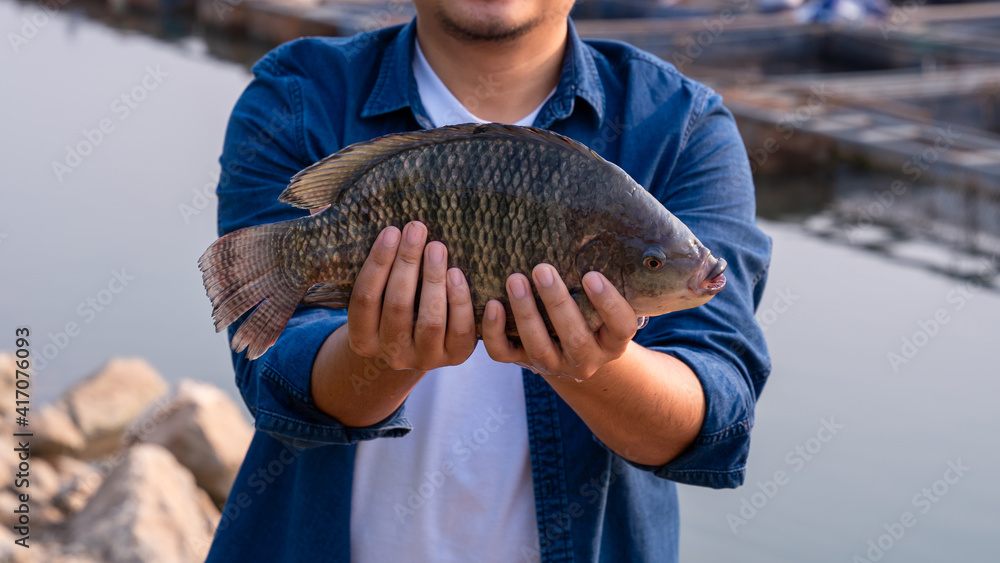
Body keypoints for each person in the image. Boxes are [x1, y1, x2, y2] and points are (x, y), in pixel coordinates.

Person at [205, 0, 772, 561]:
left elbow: (718, 421)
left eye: (650, 263)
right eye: (654, 263)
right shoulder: (298, 93)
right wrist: (382, 354)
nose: (664, 269)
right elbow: (270, 374)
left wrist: (592, 364)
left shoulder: (683, 127)